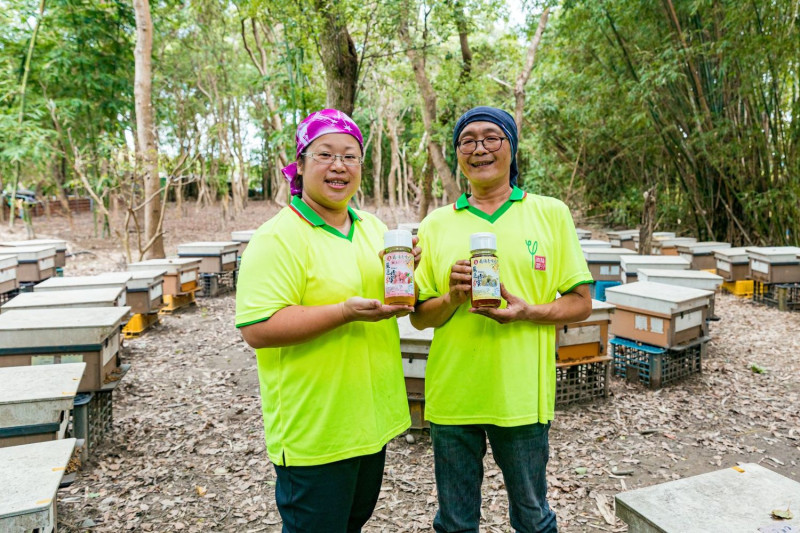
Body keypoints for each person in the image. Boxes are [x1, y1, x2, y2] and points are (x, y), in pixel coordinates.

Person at [411, 106, 593, 533]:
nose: (480, 148)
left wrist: (528, 311)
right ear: (457, 153)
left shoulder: (550, 213)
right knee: (455, 523)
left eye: (492, 137)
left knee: (532, 517)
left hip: (521, 397)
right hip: (453, 397)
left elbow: (581, 302)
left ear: (511, 147)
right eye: (468, 140)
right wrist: (452, 298)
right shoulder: (437, 223)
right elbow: (419, 318)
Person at [235, 109, 414, 533]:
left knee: (352, 524)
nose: (339, 166)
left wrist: (408, 270)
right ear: (300, 164)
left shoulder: (372, 228)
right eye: (325, 154)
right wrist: (342, 313)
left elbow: (393, 297)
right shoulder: (278, 238)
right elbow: (257, 329)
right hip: (316, 431)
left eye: (350, 156)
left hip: (370, 421)